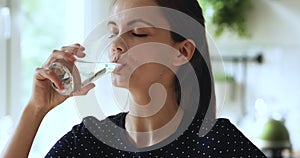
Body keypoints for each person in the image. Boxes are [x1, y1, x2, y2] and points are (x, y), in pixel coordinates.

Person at [2, 0, 266, 157]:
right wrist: (36, 108)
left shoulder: (218, 145)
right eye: (113, 32)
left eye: (138, 32)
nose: (116, 44)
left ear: (181, 51)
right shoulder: (87, 142)